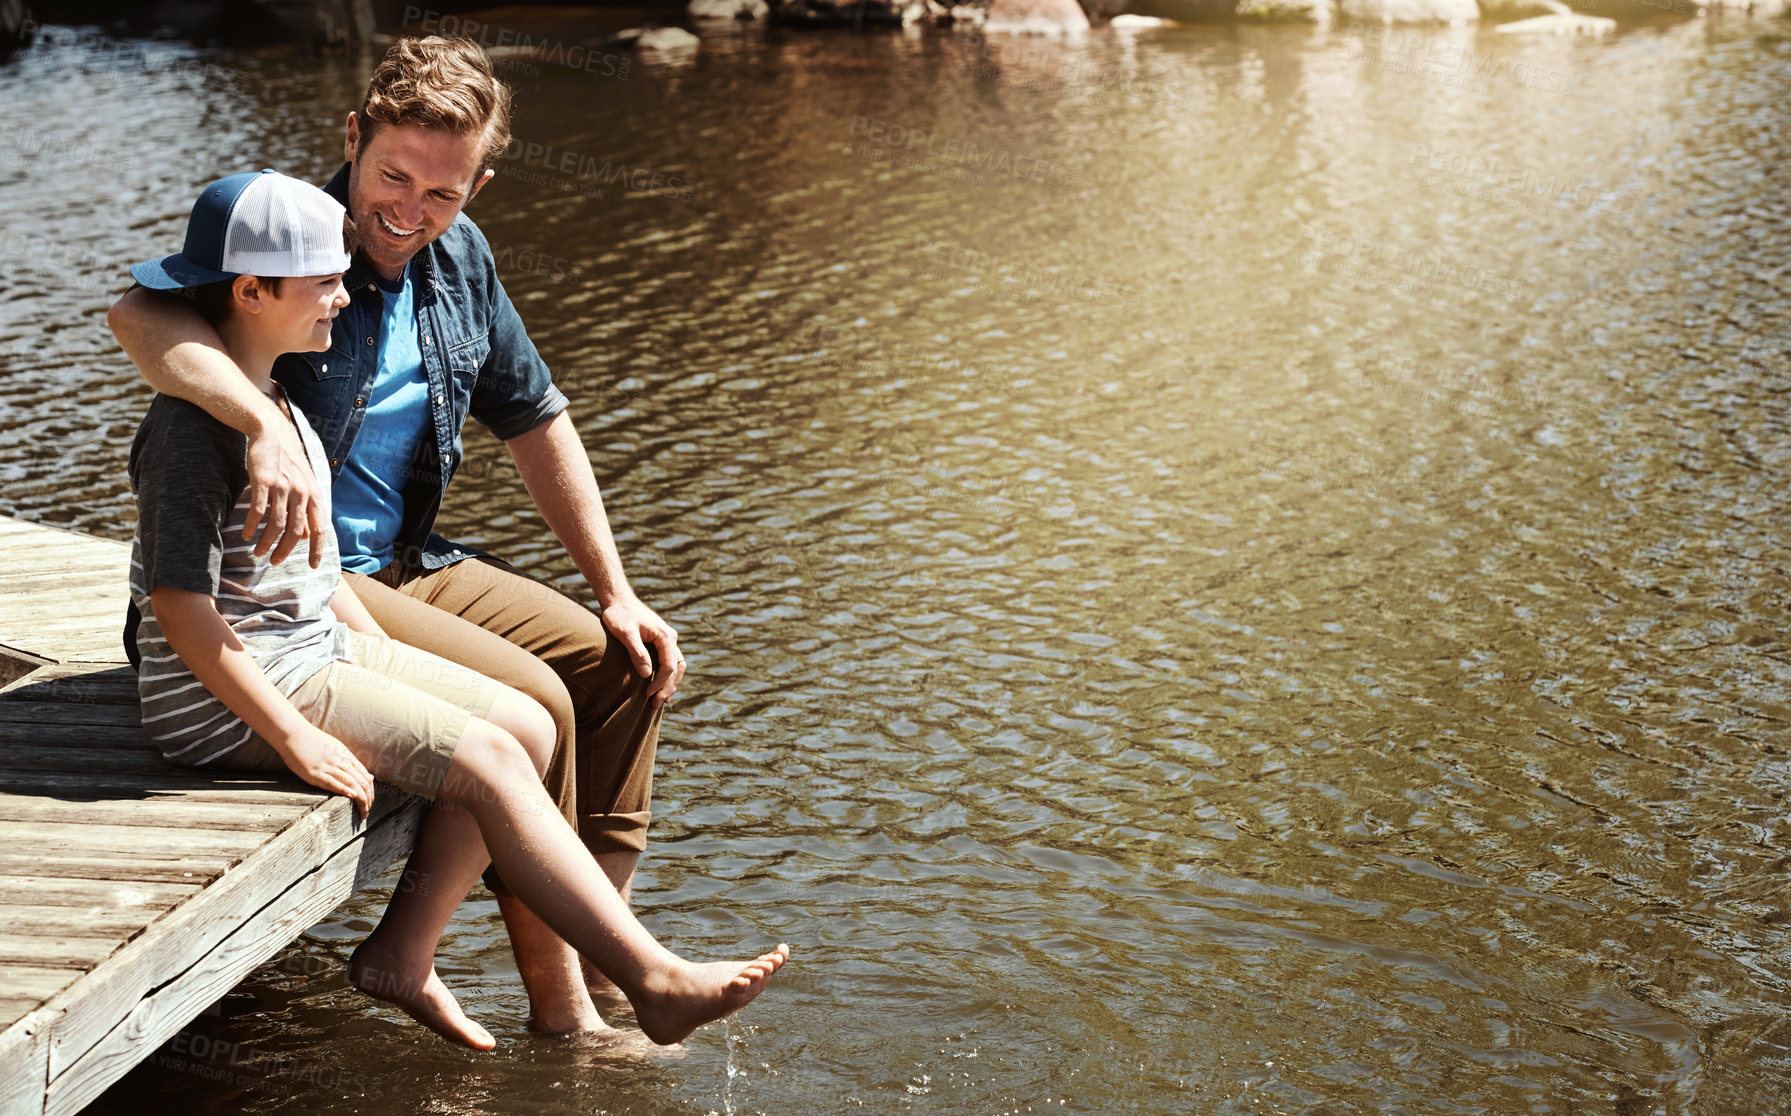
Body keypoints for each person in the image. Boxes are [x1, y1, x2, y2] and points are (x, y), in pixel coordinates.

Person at [123, 168, 787, 1050]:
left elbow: (308, 581)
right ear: (251, 291)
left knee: (527, 723)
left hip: (307, 643)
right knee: (487, 758)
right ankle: (651, 977)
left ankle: (404, 954)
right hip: (226, 692)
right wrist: (294, 736)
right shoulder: (192, 429)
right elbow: (179, 607)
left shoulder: (278, 390)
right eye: (326, 281)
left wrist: (383, 659)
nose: (343, 295)